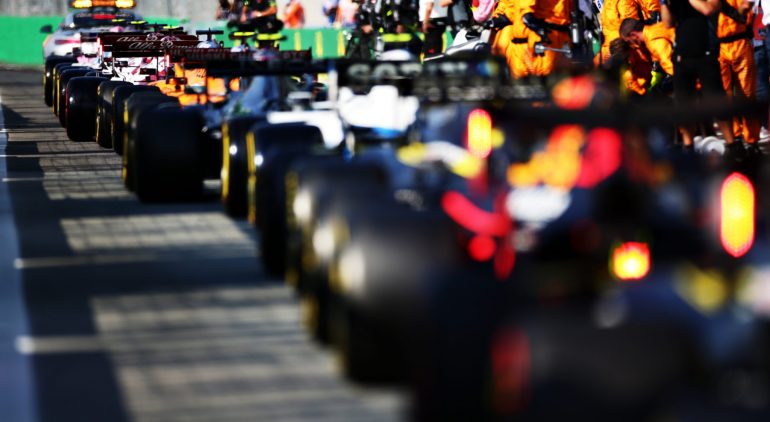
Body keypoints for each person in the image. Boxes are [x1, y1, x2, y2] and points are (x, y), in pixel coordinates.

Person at [662, 0, 739, 155]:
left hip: (706, 54)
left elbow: (708, 9)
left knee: (717, 101)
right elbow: (668, 23)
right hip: (682, 57)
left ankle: (733, 145)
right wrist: (663, 2)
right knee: (685, 107)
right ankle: (688, 147)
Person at [717, 0, 760, 151]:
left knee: (747, 96)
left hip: (740, 43)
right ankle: (734, 138)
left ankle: (752, 141)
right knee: (725, 97)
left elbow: (748, 11)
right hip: (718, 47)